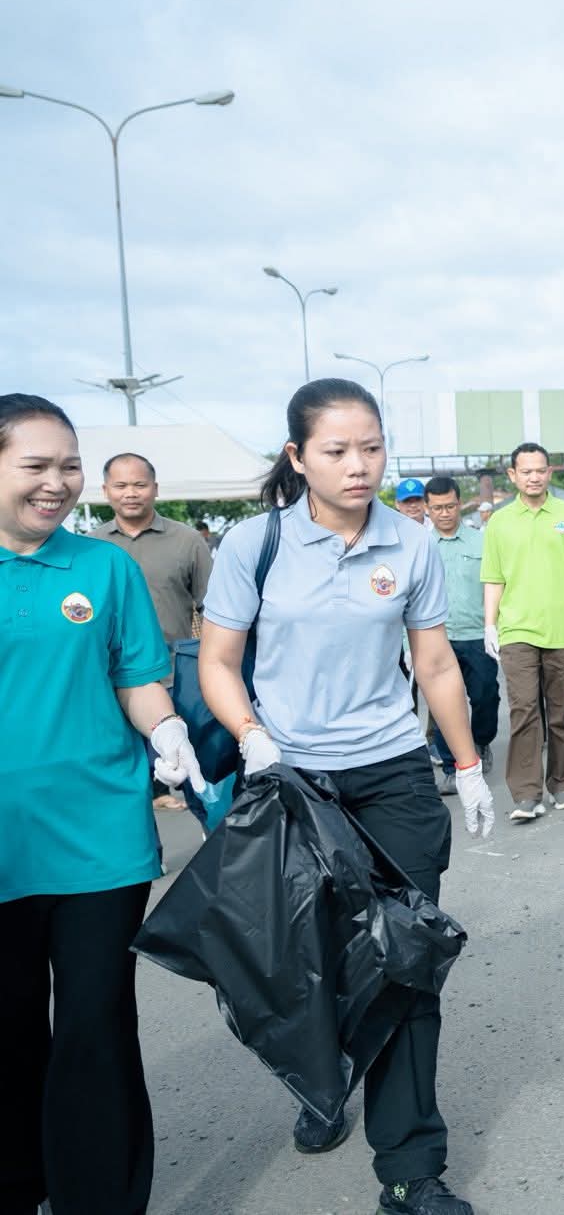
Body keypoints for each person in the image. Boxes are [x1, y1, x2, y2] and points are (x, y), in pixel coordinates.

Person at [197, 378, 492, 1215]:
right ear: (298, 457)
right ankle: (323, 1080)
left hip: (392, 773)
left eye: (371, 447)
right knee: (313, 961)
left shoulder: (412, 541)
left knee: (407, 961)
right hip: (293, 782)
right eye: (337, 451)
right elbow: (218, 661)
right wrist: (252, 737)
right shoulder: (255, 544)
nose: (359, 465)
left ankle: (409, 1168)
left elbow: (434, 663)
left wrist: (467, 764)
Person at [0, 395, 209, 1215]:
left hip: (99, 837)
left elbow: (136, 674)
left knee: (96, 1026)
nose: (56, 483)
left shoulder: (104, 568)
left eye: (69, 467)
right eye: (35, 466)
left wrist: (167, 729)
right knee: (11, 1028)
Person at [481, 443, 564, 824]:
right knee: (523, 710)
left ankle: (561, 783)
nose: (534, 477)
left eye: (540, 470)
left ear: (549, 472)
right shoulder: (499, 522)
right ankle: (526, 793)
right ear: (512, 475)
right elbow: (493, 578)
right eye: (526, 471)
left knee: (561, 712)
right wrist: (490, 623)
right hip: (517, 629)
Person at [91, 451, 214, 648]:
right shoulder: (90, 545)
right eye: (120, 486)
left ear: (155, 488)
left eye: (140, 485)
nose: (131, 493)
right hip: (106, 664)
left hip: (172, 664)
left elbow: (213, 609)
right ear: (106, 491)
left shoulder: (188, 540)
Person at [424, 476, 498, 794]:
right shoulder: (420, 548)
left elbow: (497, 586)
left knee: (485, 696)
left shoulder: (482, 543)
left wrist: (496, 628)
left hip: (477, 635)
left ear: (459, 504)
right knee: (444, 705)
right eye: (437, 508)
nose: (444, 513)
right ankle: (452, 767)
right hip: (436, 638)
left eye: (450, 506)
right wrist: (408, 646)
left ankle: (480, 741)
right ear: (427, 509)